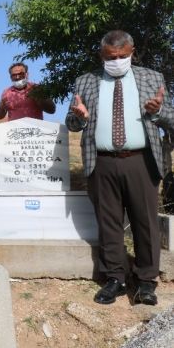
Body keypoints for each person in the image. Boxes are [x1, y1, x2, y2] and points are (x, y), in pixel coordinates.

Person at [66, 30, 174, 306]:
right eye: (110, 57)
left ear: (132, 52)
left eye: (122, 56)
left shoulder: (151, 78)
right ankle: (115, 277)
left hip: (141, 161)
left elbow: (171, 119)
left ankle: (146, 282)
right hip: (101, 162)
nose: (117, 61)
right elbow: (72, 122)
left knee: (145, 222)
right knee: (109, 222)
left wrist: (157, 111)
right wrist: (79, 117)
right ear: (101, 55)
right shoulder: (86, 81)